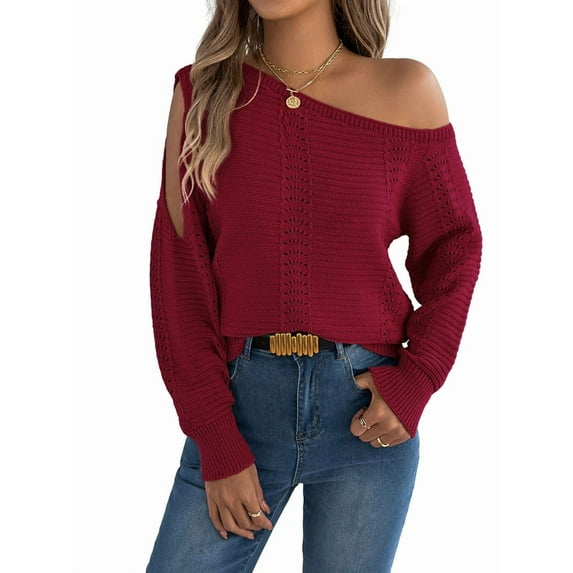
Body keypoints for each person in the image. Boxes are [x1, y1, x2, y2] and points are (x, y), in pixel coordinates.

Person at [146, 1, 482, 571]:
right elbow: (180, 280)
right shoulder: (203, 93)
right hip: (239, 408)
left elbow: (454, 247)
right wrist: (216, 439)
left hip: (367, 416)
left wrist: (418, 379)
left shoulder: (407, 90)